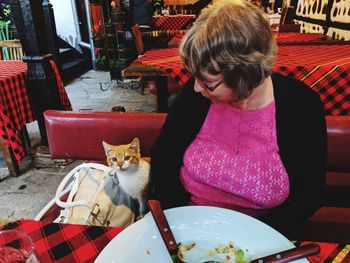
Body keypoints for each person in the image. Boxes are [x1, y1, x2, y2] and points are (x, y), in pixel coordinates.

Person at [149, 0, 327, 235]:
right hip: (189, 225)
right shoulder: (197, 96)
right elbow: (164, 156)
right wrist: (183, 223)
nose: (196, 89)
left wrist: (253, 237)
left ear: (245, 75)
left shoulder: (301, 105)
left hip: (263, 234)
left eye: (208, 83)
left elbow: (309, 195)